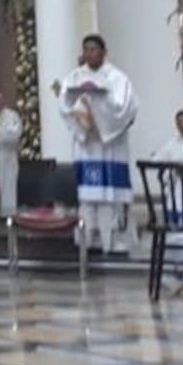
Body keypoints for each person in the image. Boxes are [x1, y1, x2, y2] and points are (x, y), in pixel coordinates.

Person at [58, 34, 138, 254]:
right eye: (86, 50)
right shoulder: (74, 78)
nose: (89, 54)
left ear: (103, 52)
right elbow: (64, 105)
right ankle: (86, 240)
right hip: (86, 145)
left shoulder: (117, 79)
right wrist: (82, 117)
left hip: (109, 147)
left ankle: (112, 240)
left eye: (94, 49)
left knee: (108, 197)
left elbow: (125, 109)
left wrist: (100, 112)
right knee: (86, 197)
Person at [0, 92, 22, 214]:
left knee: (8, 185)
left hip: (6, 154)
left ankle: (9, 212)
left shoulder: (11, 116)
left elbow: (14, 134)